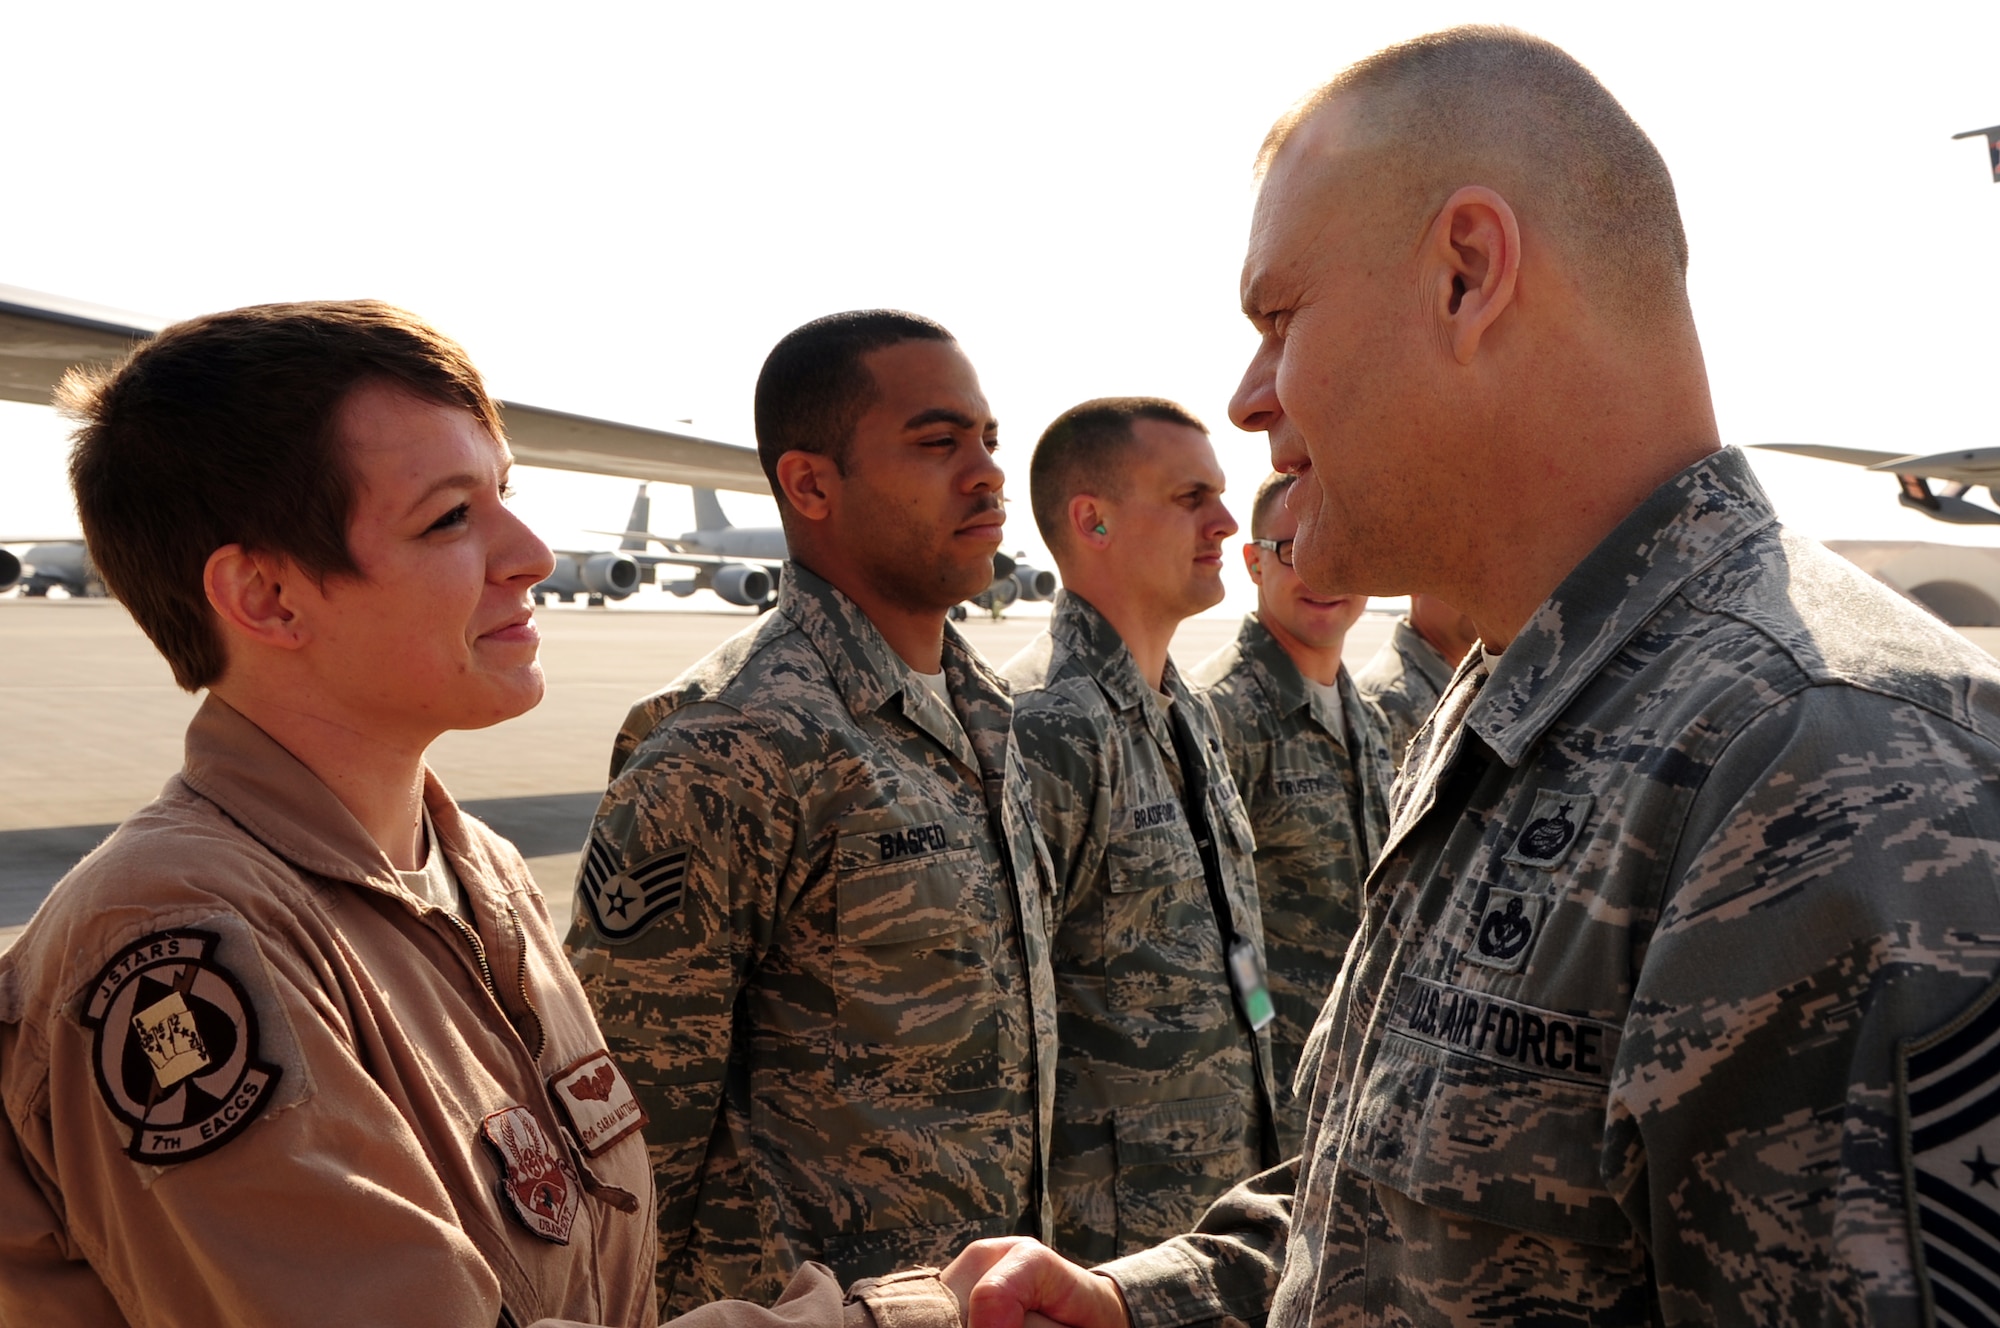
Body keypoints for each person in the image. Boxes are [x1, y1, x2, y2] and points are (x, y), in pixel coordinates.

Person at [943, 25, 2000, 1325]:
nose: (1251, 396)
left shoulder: (1828, 772)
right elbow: (1413, 1196)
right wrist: (1146, 1306)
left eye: (1280, 317)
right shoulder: (1526, 695)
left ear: (1466, 275)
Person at [0, 301, 659, 1326]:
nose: (529, 551)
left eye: (504, 494)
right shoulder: (174, 935)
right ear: (266, 597)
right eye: (449, 517)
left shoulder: (476, 869)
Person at [565, 311, 1059, 1315]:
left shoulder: (990, 719)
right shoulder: (725, 747)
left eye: (988, 439)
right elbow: (628, 1149)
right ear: (809, 484)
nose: (987, 475)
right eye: (937, 441)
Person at [1001, 398, 1278, 1265]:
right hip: (1110, 1244)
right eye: (1192, 496)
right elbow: (1009, 1037)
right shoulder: (1045, 727)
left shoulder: (1182, 710)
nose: (1226, 522)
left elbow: (1238, 962)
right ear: (1094, 519)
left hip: (1223, 1208)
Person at [1188, 472, 1392, 1153]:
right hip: (1279, 1098)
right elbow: (1220, 934)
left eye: (1343, 551)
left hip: (1359, 1081)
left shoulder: (1368, 719)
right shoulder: (1220, 712)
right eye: (1291, 550)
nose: (1322, 572)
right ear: (1252, 562)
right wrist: (1262, 1044)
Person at [1352, 592, 1477, 763]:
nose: (1478, 593)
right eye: (1465, 572)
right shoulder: (1387, 704)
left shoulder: (1479, 682)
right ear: (1417, 586)